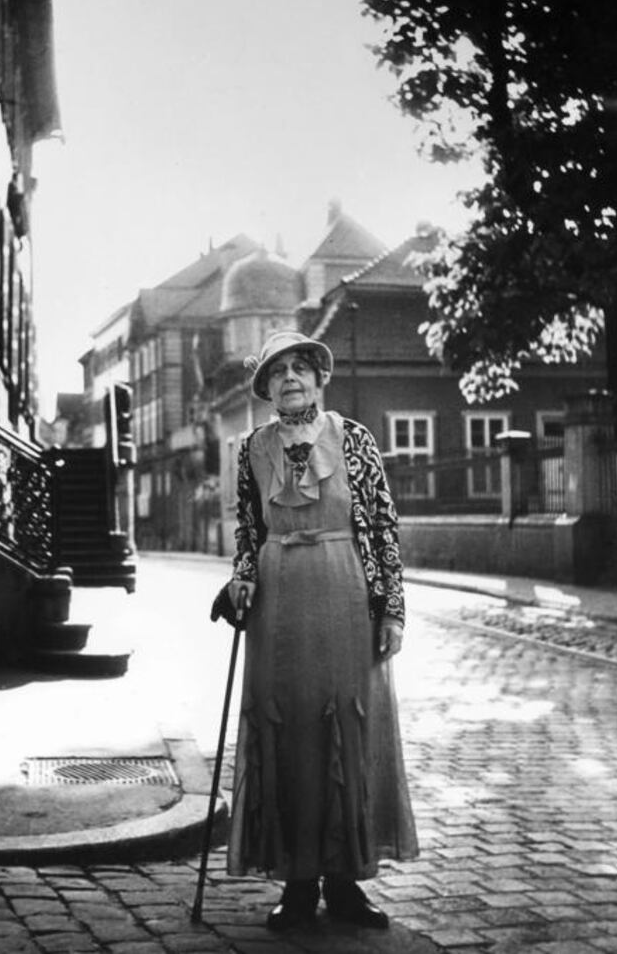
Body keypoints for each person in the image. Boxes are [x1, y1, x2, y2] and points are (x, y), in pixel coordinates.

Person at [221, 330, 418, 931]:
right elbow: (249, 536)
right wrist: (242, 579)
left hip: (344, 591)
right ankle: (298, 884)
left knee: (347, 725)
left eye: (301, 369)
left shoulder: (353, 439)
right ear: (267, 389)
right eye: (279, 373)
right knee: (290, 732)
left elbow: (382, 526)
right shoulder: (252, 448)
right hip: (278, 605)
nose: (291, 380)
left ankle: (347, 882)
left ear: (318, 378)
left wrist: (391, 608)